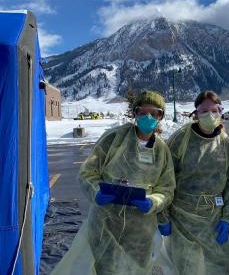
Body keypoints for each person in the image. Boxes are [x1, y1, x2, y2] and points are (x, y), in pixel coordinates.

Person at [51, 90, 176, 275]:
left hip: (140, 230)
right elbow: (88, 172)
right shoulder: (114, 139)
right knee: (105, 269)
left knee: (137, 269)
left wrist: (153, 202)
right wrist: (96, 192)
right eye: (143, 112)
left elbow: (166, 188)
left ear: (160, 117)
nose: (148, 117)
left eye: (154, 113)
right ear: (135, 113)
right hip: (105, 223)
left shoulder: (162, 151)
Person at [157, 90, 229, 275]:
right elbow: (164, 178)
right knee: (186, 267)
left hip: (215, 217)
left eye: (214, 110)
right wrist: (163, 216)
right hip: (183, 218)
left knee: (220, 265)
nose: (210, 115)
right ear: (196, 114)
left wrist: (228, 218)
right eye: (204, 111)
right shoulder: (181, 139)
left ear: (220, 111)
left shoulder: (224, 141)